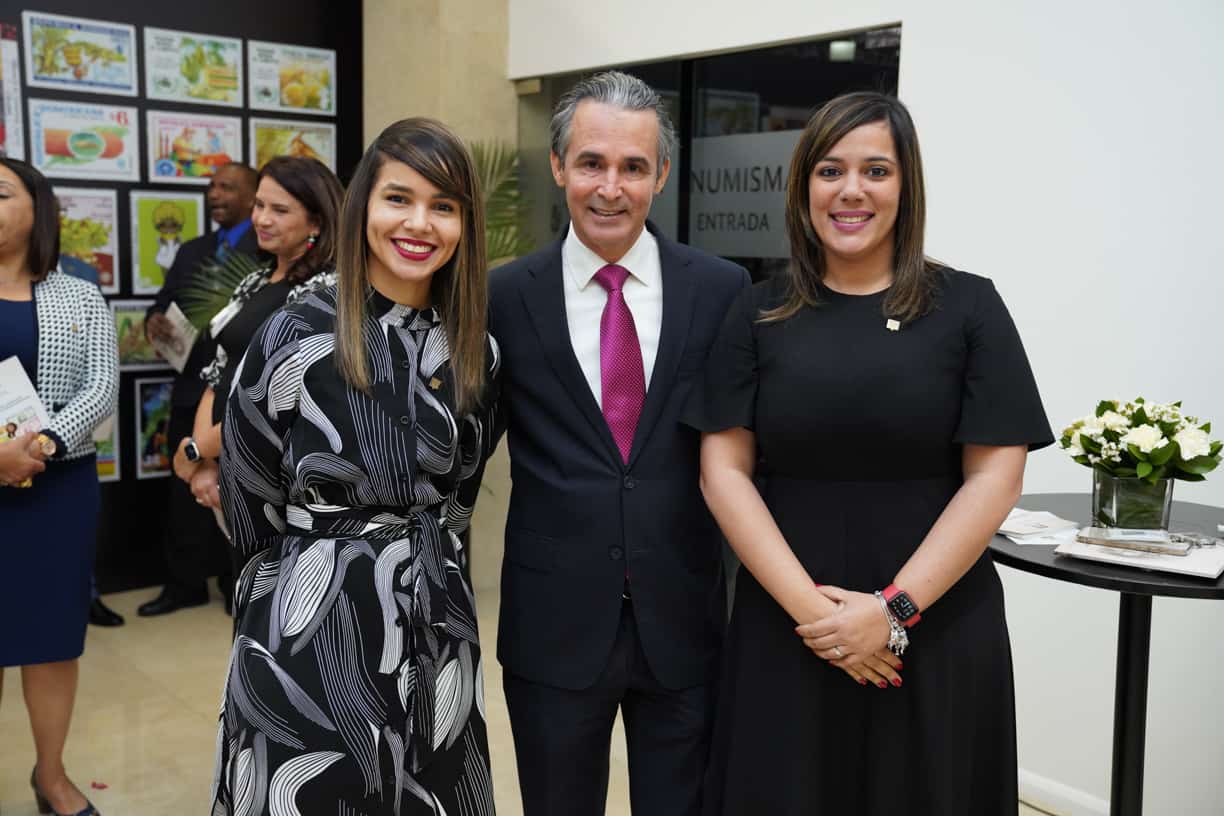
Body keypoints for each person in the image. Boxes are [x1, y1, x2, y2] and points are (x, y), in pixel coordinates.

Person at [684, 92, 1053, 815]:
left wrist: (892, 611)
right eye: (830, 170)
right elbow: (722, 471)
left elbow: (996, 475)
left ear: (905, 185)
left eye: (876, 170)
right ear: (803, 189)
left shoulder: (970, 307)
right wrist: (824, 624)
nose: (851, 190)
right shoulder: (756, 311)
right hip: (789, 623)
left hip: (936, 623)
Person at [210, 118, 501, 814]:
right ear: (364, 203)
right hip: (312, 616)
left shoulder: (474, 348)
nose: (419, 223)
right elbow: (248, 496)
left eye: (444, 206)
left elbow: (463, 493)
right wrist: (299, 588)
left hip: (436, 616)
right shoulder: (295, 329)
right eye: (399, 198)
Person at [488, 70, 749, 815]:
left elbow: (742, 452)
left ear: (660, 174)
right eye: (593, 162)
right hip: (553, 624)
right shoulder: (506, 297)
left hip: (685, 621)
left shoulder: (720, 290)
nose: (611, 186)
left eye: (633, 166)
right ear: (559, 165)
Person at [0, 157, 118, 816]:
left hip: (56, 489)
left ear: (36, 209)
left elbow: (100, 386)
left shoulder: (77, 290)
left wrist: (36, 448)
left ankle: (51, 776)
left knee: (49, 643)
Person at [171, 156, 341, 547]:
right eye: (260, 206)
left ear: (317, 221)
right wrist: (206, 463)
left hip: (279, 478)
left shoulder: (326, 292)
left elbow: (274, 403)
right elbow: (218, 371)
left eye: (279, 210)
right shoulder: (256, 278)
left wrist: (198, 449)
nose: (262, 219)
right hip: (227, 463)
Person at [140, 161, 259, 617]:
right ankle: (184, 584)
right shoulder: (192, 250)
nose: (215, 194)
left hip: (243, 393)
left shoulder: (265, 248)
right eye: (211, 187)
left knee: (241, 489)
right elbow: (165, 302)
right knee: (185, 489)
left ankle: (238, 584)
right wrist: (155, 320)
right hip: (192, 389)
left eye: (227, 187)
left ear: (252, 197)